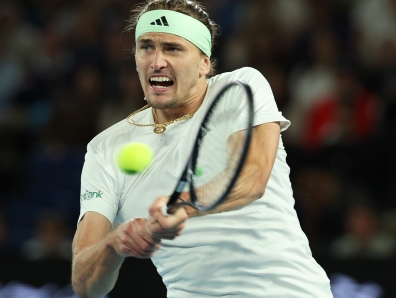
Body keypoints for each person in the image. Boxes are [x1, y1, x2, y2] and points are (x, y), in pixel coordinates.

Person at [71, 0, 333, 297]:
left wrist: (179, 207)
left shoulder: (241, 88)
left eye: (172, 48)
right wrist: (112, 245)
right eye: (146, 47)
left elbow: (250, 178)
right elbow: (85, 285)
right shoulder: (104, 149)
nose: (156, 61)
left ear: (204, 63)